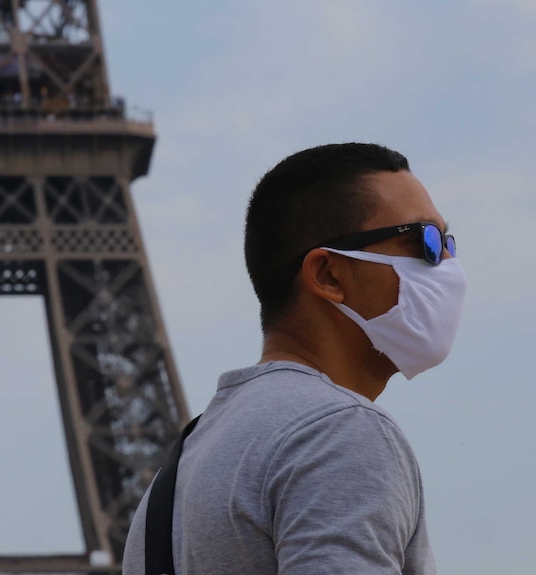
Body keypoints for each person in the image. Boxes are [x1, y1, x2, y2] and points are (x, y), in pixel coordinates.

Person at [122, 143, 467, 574]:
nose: (449, 264)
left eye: (448, 241)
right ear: (328, 275)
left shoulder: (179, 474)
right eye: (425, 242)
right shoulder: (338, 431)